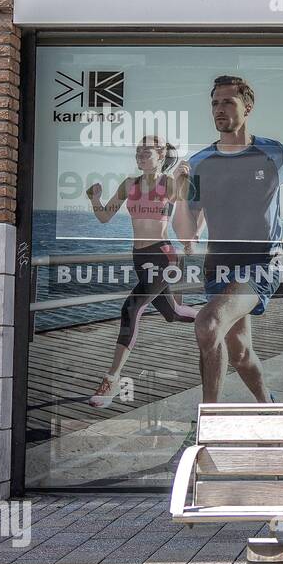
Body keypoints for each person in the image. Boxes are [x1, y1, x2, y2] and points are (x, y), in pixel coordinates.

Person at [177, 75, 283, 404]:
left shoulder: (274, 153)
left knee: (208, 322)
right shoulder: (198, 163)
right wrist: (179, 195)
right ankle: (268, 406)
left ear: (248, 107)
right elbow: (186, 231)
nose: (219, 109)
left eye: (228, 101)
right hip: (218, 267)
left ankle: (207, 422)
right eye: (214, 103)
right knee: (239, 353)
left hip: (261, 264)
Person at [84, 136, 197, 408]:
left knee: (131, 308)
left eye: (148, 151)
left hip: (164, 256)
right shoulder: (128, 185)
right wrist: (95, 199)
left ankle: (111, 380)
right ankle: (214, 318)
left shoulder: (168, 183)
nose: (141, 154)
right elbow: (104, 216)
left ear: (161, 155)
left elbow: (183, 211)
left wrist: (183, 177)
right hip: (140, 256)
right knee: (173, 314)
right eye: (139, 151)